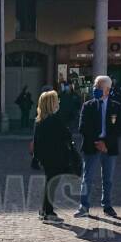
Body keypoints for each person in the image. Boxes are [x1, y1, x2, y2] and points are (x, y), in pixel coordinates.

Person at [75, 75, 121, 218]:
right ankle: (84, 206)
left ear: (107, 90)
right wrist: (97, 142)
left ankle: (107, 205)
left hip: (109, 147)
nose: (95, 89)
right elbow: (82, 127)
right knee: (87, 177)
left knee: (108, 178)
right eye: (95, 86)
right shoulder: (88, 105)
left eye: (98, 87)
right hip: (92, 145)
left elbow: (119, 128)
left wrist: (106, 143)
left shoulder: (117, 106)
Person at [32, 90, 76, 223]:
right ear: (52, 103)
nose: (59, 102)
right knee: (52, 184)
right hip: (56, 157)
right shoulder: (55, 119)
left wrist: (37, 157)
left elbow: (36, 141)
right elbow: (66, 135)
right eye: (57, 100)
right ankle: (48, 212)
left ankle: (44, 210)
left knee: (49, 183)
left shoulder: (39, 120)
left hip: (46, 157)